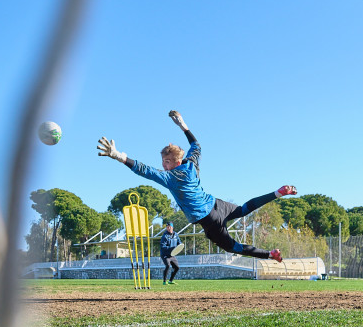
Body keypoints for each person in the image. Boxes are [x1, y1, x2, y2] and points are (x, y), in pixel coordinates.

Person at [97, 110, 295, 261]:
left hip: (208, 219)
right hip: (215, 204)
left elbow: (145, 170)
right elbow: (196, 146)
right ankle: (277, 193)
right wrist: (183, 125)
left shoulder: (171, 177)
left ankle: (270, 255)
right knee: (243, 209)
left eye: (166, 161)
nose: (163, 166)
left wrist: (118, 156)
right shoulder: (191, 163)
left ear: (176, 161)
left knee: (233, 247)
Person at [159, 220, 182, 285]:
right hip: (165, 254)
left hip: (172, 254)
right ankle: (164, 281)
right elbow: (163, 246)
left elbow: (179, 243)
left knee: (177, 268)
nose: (168, 228)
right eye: (167, 227)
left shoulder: (176, 235)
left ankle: (170, 281)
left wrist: (180, 246)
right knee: (168, 265)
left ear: (172, 227)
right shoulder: (165, 236)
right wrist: (171, 248)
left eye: (169, 227)